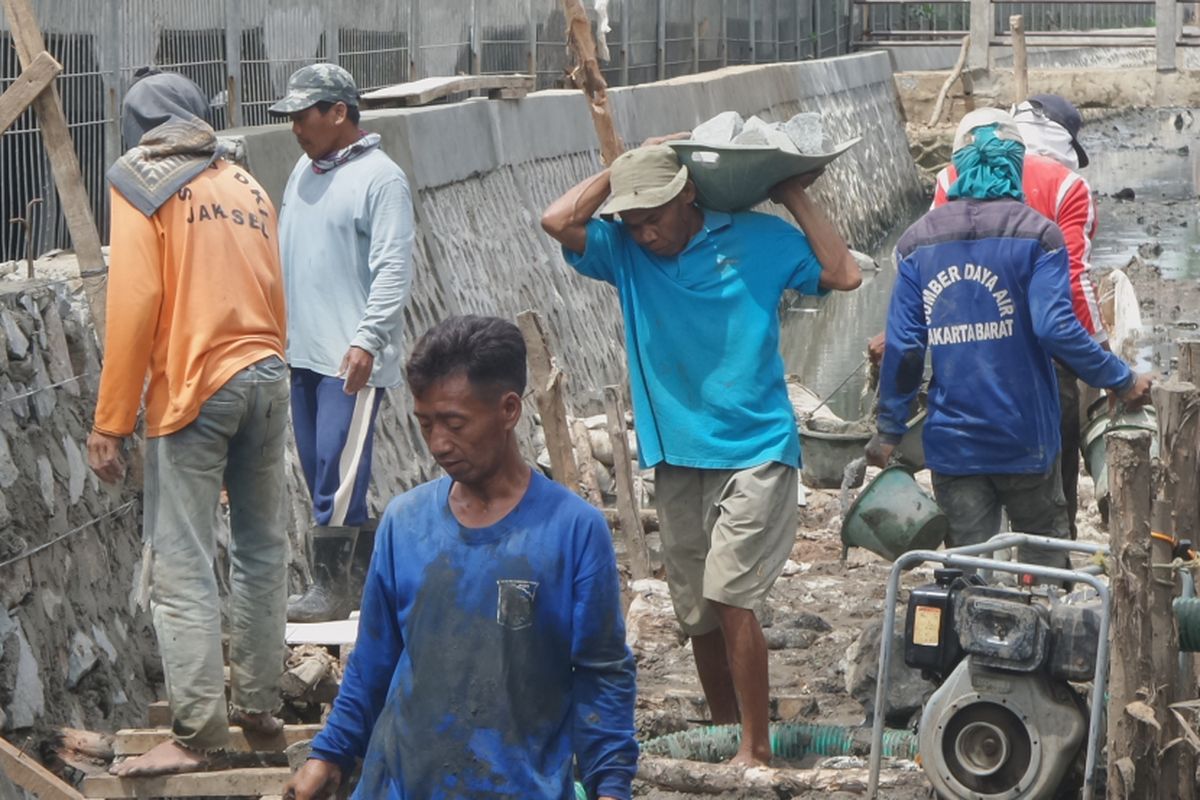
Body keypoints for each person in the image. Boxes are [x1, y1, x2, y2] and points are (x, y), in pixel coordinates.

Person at [540, 140, 862, 766]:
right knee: (696, 613)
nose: (646, 232)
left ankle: (758, 747)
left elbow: (845, 274)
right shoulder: (625, 253)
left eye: (654, 215)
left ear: (688, 194)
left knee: (731, 592)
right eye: (633, 222)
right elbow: (557, 221)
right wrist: (626, 168)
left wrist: (792, 192)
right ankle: (723, 731)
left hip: (757, 448)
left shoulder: (758, 240)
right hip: (677, 453)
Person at [283, 315, 637, 800]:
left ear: (508, 410)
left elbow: (602, 674)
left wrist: (611, 786)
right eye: (425, 423)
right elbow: (372, 662)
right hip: (400, 784)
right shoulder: (405, 524)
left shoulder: (573, 531)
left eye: (454, 423)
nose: (438, 444)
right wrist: (329, 754)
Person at [87, 71, 289, 775]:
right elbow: (272, 283)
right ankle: (261, 705)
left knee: (181, 563)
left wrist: (111, 421)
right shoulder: (246, 183)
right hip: (268, 372)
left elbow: (136, 300)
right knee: (264, 548)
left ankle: (199, 733)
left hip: (198, 387)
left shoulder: (141, 179)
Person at [866, 109, 1152, 568]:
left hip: (954, 447)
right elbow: (1057, 327)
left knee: (968, 574)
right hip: (1025, 440)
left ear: (956, 166)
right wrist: (1120, 378)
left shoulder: (915, 245)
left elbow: (904, 347)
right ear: (1015, 164)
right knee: (1043, 569)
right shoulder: (1039, 236)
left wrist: (889, 430)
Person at [268, 63, 416, 623]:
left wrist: (368, 340)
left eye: (303, 116)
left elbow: (392, 271)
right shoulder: (302, 173)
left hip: (350, 358)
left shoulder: (382, 179)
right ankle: (366, 581)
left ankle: (331, 591)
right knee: (317, 469)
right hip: (302, 353)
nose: (295, 129)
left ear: (338, 113)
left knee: (339, 469)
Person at [930, 96, 1104, 537]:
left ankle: (971, 580)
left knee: (968, 500)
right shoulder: (1068, 187)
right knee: (1049, 481)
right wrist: (1105, 362)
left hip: (964, 360)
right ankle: (1045, 576)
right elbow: (1075, 282)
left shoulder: (951, 176)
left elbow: (932, 271)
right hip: (1043, 365)